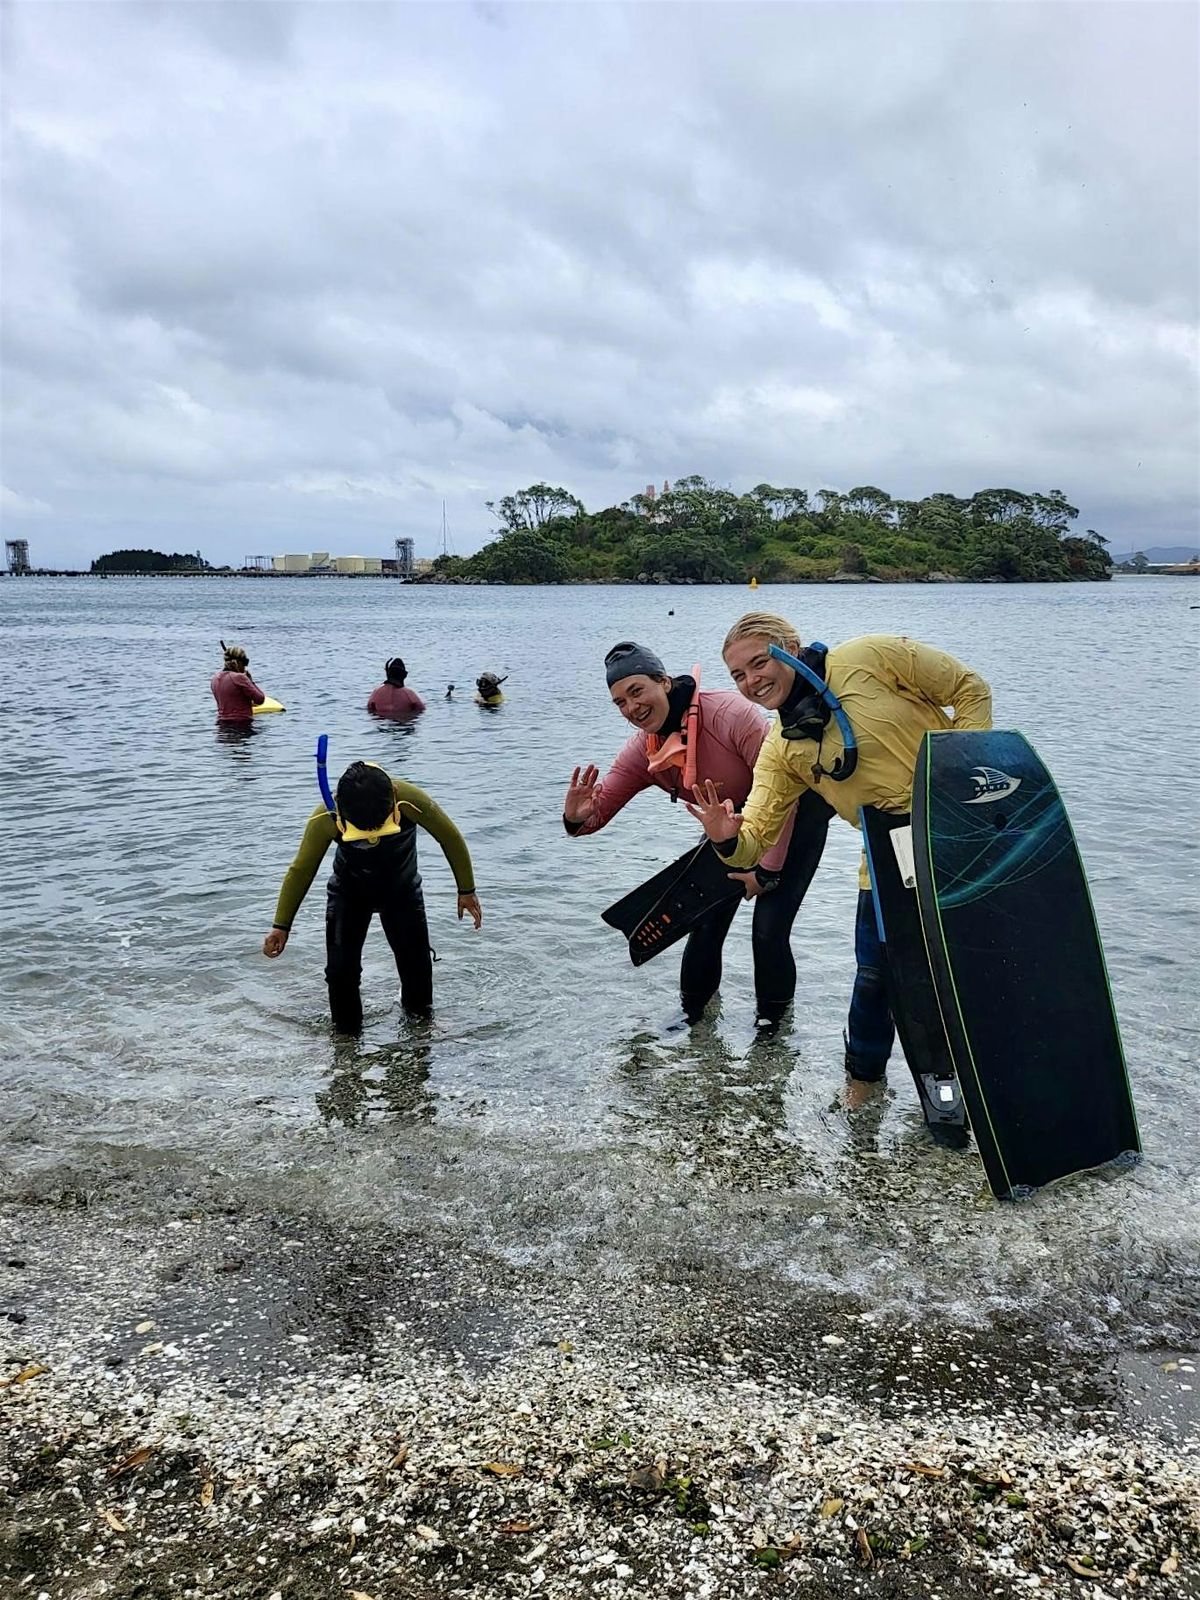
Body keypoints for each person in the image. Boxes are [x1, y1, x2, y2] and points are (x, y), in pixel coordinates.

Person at [687, 613, 992, 1093]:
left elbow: (969, 689)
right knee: (875, 976)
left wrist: (963, 778)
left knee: (972, 963)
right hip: (887, 853)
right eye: (738, 676)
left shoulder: (869, 656)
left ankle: (997, 1068)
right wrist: (726, 836)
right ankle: (862, 1086)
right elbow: (755, 840)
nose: (751, 682)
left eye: (759, 663)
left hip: (959, 827)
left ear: (791, 645)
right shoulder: (782, 748)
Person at [564, 640, 830, 1029]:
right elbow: (597, 814)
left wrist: (767, 872)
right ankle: (693, 1017)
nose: (632, 708)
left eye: (637, 691)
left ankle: (771, 1031)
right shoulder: (645, 750)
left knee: (768, 931)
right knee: (703, 921)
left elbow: (787, 792)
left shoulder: (729, 715)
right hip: (726, 827)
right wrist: (575, 817)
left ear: (664, 682)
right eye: (620, 702)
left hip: (795, 814)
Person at [263, 760, 482, 1035]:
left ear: (392, 794)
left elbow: (450, 838)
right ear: (340, 804)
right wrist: (281, 926)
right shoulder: (327, 816)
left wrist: (466, 890)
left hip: (402, 892)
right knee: (341, 973)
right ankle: (345, 1038)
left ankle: (421, 1028)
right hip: (349, 895)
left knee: (416, 966)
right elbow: (301, 870)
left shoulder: (410, 800)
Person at [211, 641, 264, 724]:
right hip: (242, 725)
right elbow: (260, 699)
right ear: (239, 662)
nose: (245, 666)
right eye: (245, 663)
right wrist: (250, 681)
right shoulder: (240, 678)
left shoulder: (215, 679)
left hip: (222, 726)